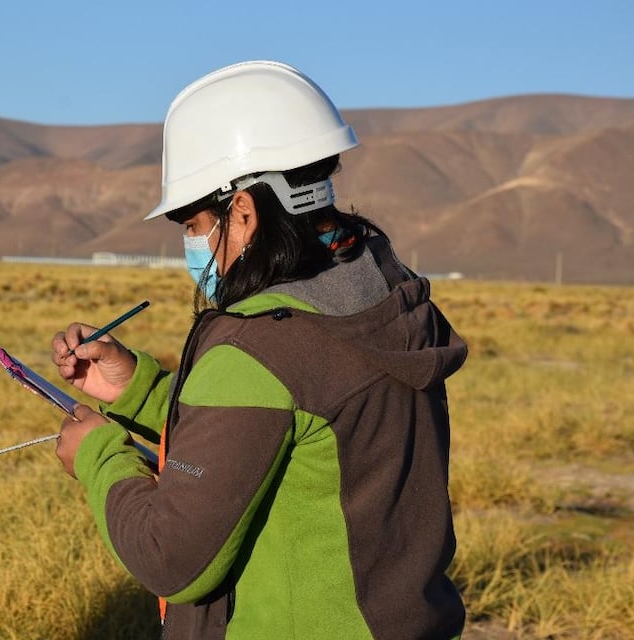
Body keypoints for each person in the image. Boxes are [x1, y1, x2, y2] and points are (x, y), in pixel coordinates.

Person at [52, 60, 467, 639]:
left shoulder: (262, 345)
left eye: (193, 221)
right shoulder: (383, 305)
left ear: (242, 210)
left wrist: (99, 457)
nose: (190, 243)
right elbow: (290, 420)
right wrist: (138, 390)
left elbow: (171, 559)